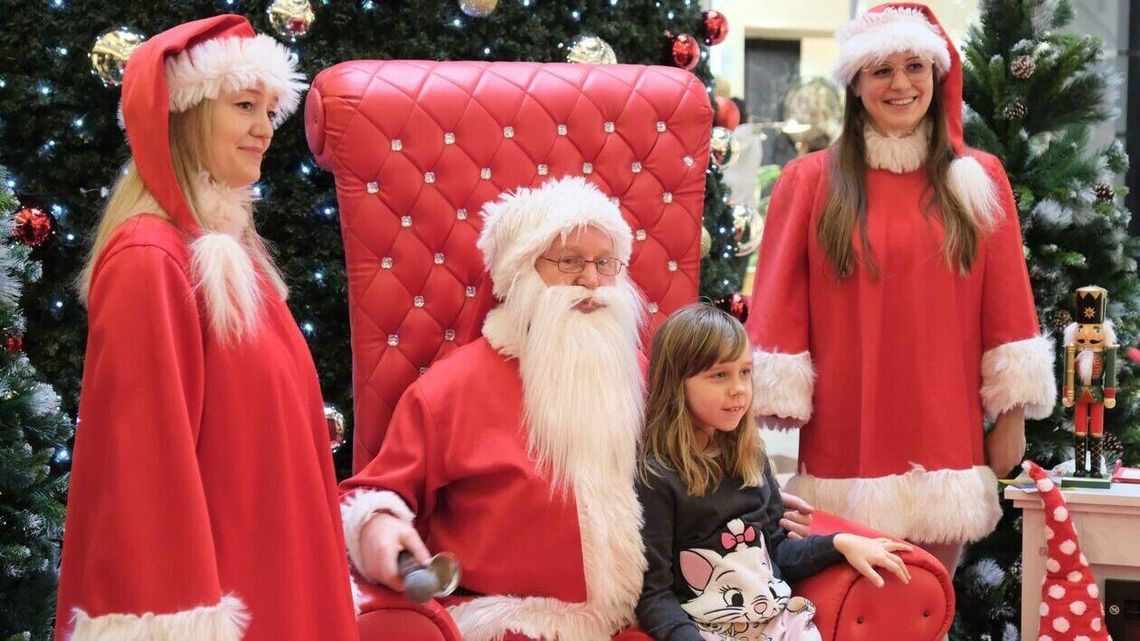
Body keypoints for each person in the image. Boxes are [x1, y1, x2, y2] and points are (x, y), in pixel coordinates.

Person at [54, 15, 358, 641]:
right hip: (231, 602)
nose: (263, 130)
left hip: (276, 586)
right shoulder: (152, 260)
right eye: (244, 105)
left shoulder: (230, 259)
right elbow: (142, 476)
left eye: (269, 111)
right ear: (183, 115)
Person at [747, 2, 1057, 577]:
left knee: (927, 607)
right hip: (845, 439)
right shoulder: (810, 181)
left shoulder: (979, 178)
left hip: (946, 439)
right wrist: (761, 421)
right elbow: (777, 308)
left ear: (936, 76)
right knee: (851, 612)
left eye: (914, 65)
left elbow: (1008, 303)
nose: (900, 84)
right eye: (881, 69)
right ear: (856, 82)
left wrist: (1010, 417)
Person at [636, 304, 912, 641]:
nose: (739, 388)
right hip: (706, 629)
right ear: (677, 383)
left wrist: (839, 543)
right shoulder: (656, 476)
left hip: (779, 623)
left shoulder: (750, 458)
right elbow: (654, 594)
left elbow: (778, 551)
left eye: (745, 372)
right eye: (719, 375)